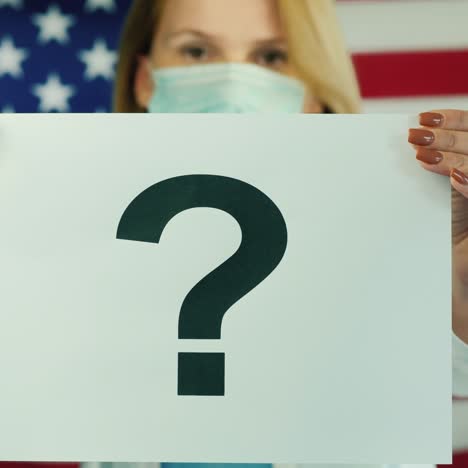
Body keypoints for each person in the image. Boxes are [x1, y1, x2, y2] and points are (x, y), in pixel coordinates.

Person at [84, 1, 468, 468]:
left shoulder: (392, 237)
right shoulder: (63, 240)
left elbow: (453, 364)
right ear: (144, 78)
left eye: (270, 58)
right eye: (197, 50)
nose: (231, 79)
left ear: (314, 90)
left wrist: (454, 271)